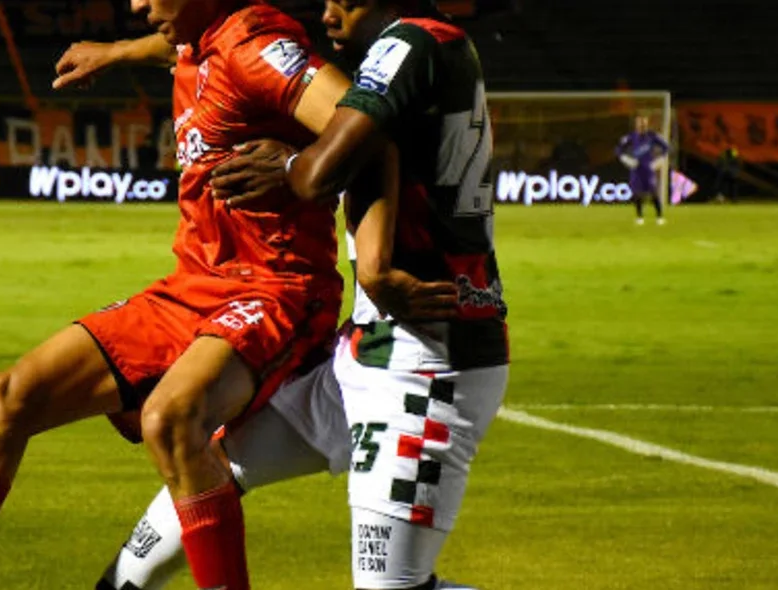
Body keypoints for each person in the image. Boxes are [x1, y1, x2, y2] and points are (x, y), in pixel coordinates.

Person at [0, 1, 356, 589]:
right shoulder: (200, 40)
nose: (137, 4)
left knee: (171, 418)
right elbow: (173, 48)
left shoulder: (252, 44)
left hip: (276, 287)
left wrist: (294, 165)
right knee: (7, 396)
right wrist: (115, 52)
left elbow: (360, 117)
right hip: (195, 285)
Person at [69, 1, 510, 589]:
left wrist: (293, 164)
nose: (326, 9)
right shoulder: (434, 44)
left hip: (427, 363)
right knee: (205, 463)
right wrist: (124, 51)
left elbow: (329, 167)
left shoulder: (407, 48)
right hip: (367, 352)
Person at [616, 115, 670, 225]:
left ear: (647, 125)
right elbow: (618, 149)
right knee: (637, 193)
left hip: (648, 169)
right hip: (636, 169)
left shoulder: (652, 136)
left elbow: (666, 147)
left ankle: (659, 217)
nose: (642, 126)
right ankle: (639, 217)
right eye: (640, 124)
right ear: (636, 125)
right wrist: (626, 159)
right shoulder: (630, 137)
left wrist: (660, 160)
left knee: (653, 193)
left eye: (644, 124)